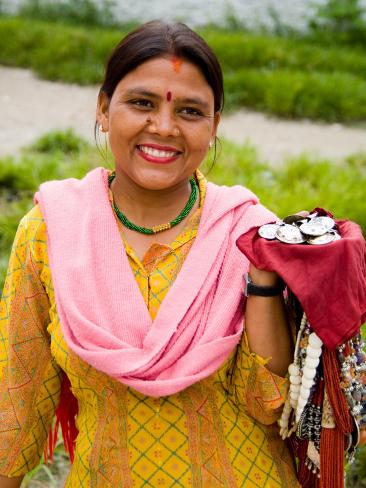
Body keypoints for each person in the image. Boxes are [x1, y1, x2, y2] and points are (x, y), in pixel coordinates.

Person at [0, 21, 299, 487]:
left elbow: (268, 403)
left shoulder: (249, 232)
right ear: (103, 108)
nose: (163, 127)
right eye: (141, 103)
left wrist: (263, 275)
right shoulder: (48, 232)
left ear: (214, 125)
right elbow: (16, 405)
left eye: (190, 111)